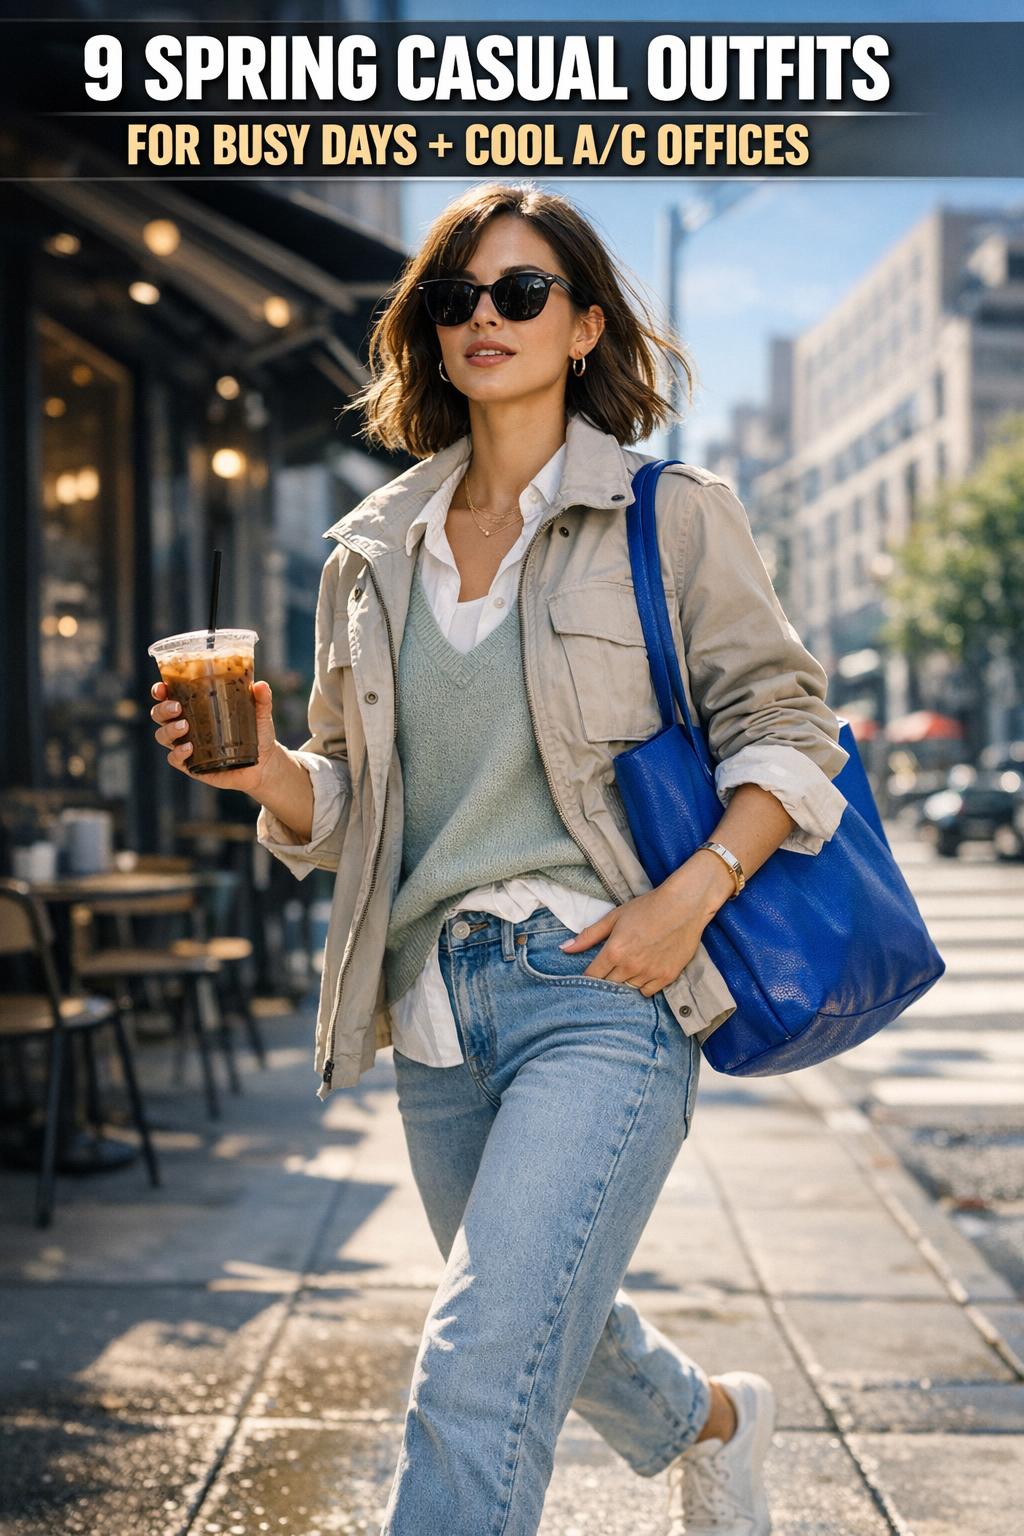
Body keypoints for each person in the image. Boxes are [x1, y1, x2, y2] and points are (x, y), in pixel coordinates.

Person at [149, 180, 849, 1536]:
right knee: (548, 1324)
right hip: (435, 1015)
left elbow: (791, 730)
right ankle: (711, 1416)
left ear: (584, 325)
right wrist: (262, 774)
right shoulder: (371, 552)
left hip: (607, 987)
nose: (487, 316)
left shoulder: (670, 515)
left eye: (522, 292)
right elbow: (353, 796)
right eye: (458, 296)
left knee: (472, 1369)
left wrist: (685, 904)